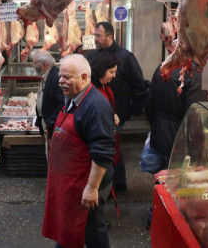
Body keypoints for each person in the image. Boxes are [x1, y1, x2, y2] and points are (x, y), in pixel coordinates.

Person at [42, 54, 115, 248]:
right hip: (70, 182)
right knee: (68, 229)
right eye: (60, 76)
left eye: (67, 77)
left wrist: (92, 188)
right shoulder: (73, 98)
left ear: (84, 78)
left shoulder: (96, 106)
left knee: (93, 230)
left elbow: (103, 152)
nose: (60, 82)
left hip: (87, 182)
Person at [142, 43, 208, 230]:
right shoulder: (194, 72)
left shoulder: (162, 66)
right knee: (179, 180)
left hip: (161, 129)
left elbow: (149, 101)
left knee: (163, 178)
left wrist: (155, 124)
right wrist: (198, 140)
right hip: (180, 134)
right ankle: (169, 220)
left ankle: (154, 215)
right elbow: (195, 110)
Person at [87, 22, 149, 191]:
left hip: (118, 112)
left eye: (98, 36)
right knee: (105, 144)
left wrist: (134, 110)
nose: (95, 39)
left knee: (111, 145)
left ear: (110, 36)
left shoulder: (126, 57)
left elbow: (138, 85)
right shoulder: (92, 57)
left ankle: (117, 183)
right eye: (95, 35)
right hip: (96, 111)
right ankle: (104, 183)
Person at [89, 52, 121, 167]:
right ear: (101, 70)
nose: (114, 76)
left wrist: (113, 113)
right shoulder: (92, 91)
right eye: (111, 72)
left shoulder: (105, 87)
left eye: (115, 72)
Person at [33, 50, 64, 141]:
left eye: (35, 63)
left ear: (44, 64)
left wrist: (51, 121)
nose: (33, 66)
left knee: (53, 152)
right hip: (47, 123)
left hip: (53, 126)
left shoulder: (56, 77)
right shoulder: (47, 76)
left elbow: (62, 103)